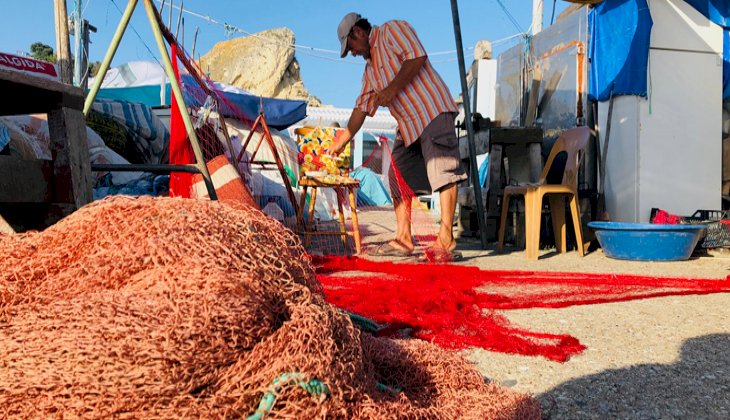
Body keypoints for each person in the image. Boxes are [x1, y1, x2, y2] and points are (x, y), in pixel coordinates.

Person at [326, 12, 467, 261]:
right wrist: (341, 141)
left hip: (432, 110)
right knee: (396, 174)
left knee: (443, 170)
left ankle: (446, 238)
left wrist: (392, 89)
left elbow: (417, 57)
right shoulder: (370, 72)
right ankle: (403, 237)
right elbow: (361, 109)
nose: (354, 54)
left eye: (352, 48)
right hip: (409, 124)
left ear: (358, 32)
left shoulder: (392, 31)